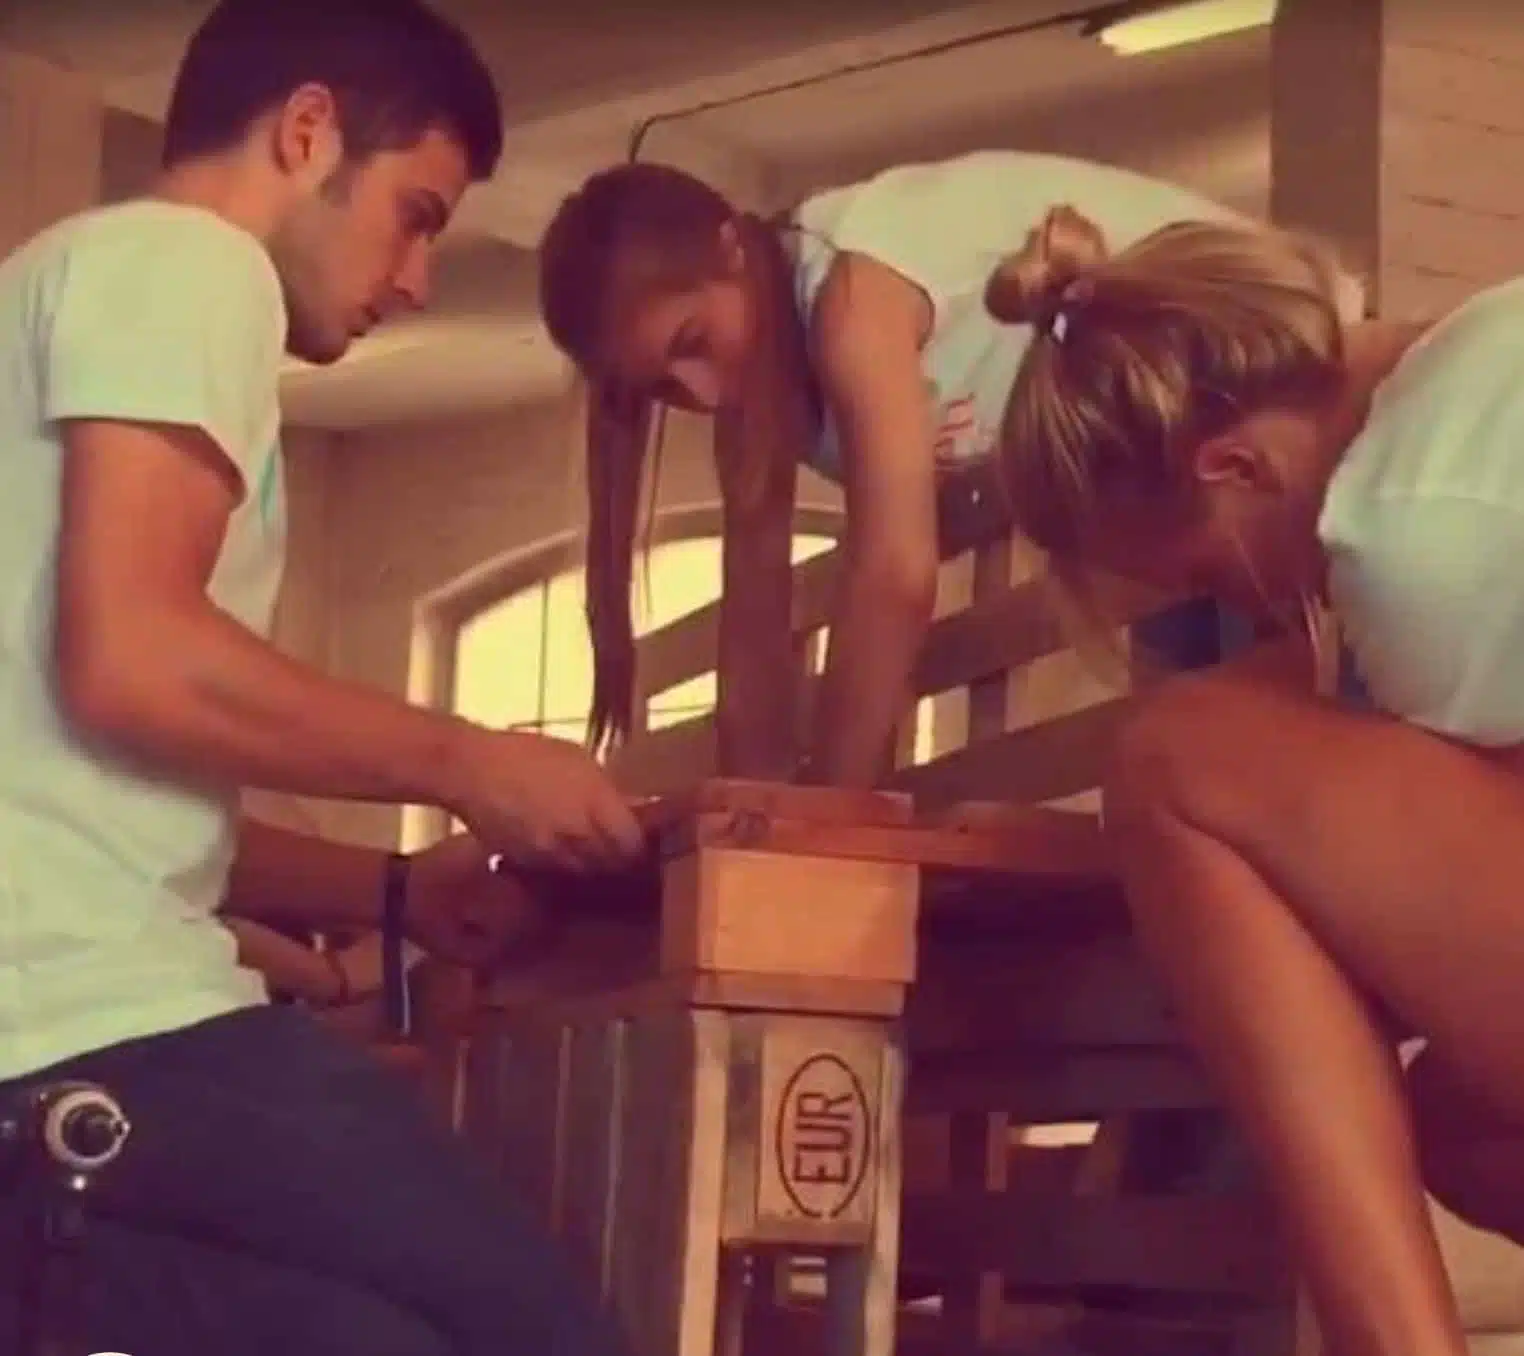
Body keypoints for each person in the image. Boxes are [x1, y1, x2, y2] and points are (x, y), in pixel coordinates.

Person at [0, 2, 643, 1353]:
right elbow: (133, 658)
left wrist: (395, 894)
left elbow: (84, 778)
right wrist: (474, 761)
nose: (416, 278)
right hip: (76, 1030)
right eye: (416, 214)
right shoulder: (186, 261)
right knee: (543, 1332)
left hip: (45, 1045)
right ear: (306, 133)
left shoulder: (74, 283)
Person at [976, 204, 1524, 1356]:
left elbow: (1410, 913)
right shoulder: (1485, 349)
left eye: (1208, 580)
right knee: (1469, 1133)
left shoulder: (1406, 539)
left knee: (1174, 759)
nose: (1251, 608)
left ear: (1232, 465)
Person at [536, 150, 1362, 784]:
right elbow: (753, 638)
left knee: (1279, 737)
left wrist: (831, 817)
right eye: (661, 389)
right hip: (1146, 499)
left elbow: (895, 573)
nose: (704, 393)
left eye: (693, 343)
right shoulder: (751, 398)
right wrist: (750, 821)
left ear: (733, 250)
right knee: (1201, 748)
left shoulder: (855, 297)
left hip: (1256, 398)